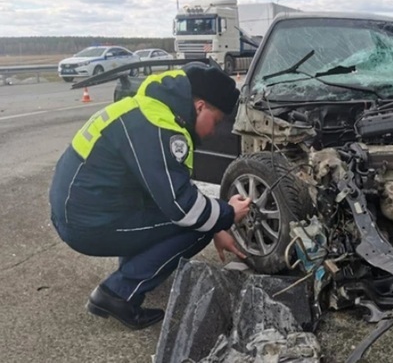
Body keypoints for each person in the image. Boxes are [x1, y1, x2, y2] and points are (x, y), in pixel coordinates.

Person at [49, 64, 251, 330]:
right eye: (216, 121)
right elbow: (185, 209)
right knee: (196, 226)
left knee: (198, 219)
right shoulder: (160, 127)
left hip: (81, 212)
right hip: (87, 224)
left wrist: (214, 223)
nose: (214, 131)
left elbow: (168, 188)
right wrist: (225, 215)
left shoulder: (146, 109)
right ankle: (118, 293)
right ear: (200, 106)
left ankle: (134, 269)